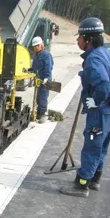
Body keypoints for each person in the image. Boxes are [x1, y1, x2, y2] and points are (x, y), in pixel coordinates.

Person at [60, 17, 110, 197]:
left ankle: (81, 185)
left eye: (80, 37)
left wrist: (96, 100)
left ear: (88, 39)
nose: (77, 40)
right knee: (102, 147)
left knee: (92, 147)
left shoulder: (93, 59)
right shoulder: (105, 52)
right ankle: (95, 180)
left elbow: (104, 84)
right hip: (108, 111)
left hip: (100, 112)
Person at [30, 36, 54, 123]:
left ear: (42, 45)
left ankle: (43, 115)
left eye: (37, 45)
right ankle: (38, 114)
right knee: (37, 97)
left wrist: (46, 78)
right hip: (38, 80)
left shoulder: (46, 55)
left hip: (45, 80)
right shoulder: (36, 56)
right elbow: (34, 68)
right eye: (34, 46)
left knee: (43, 97)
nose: (36, 47)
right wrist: (28, 70)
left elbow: (49, 67)